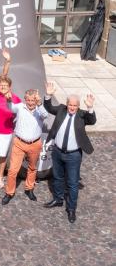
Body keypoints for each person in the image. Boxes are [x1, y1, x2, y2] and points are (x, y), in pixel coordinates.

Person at [43, 82, 96, 223]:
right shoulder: (61, 109)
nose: (72, 107)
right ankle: (58, 199)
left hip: (73, 155)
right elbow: (48, 107)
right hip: (58, 152)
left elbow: (92, 120)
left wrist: (90, 107)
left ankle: (71, 209)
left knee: (72, 183)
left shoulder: (82, 114)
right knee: (58, 177)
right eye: (70, 105)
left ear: (78, 106)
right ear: (67, 104)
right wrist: (48, 94)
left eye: (75, 105)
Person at [1, 88, 49, 205]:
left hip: (34, 144)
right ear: (25, 99)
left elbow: (46, 115)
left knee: (32, 168)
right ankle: (9, 192)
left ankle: (29, 189)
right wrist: (8, 100)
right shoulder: (20, 107)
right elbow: (10, 107)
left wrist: (40, 103)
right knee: (13, 170)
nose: (31, 103)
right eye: (28, 100)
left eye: (33, 100)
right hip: (19, 143)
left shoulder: (39, 110)